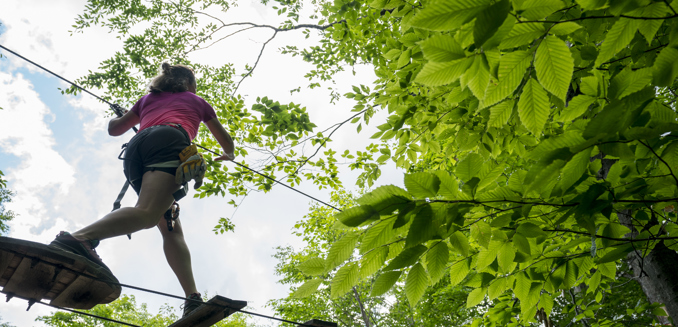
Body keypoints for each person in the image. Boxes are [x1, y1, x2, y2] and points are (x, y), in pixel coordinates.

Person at [49, 63, 235, 317]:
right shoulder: (196, 100)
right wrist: (229, 154)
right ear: (189, 84)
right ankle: (78, 239)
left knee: (169, 226)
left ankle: (192, 297)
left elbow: (114, 129)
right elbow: (225, 140)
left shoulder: (147, 100)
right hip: (170, 142)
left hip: (136, 151)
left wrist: (125, 114)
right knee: (147, 214)